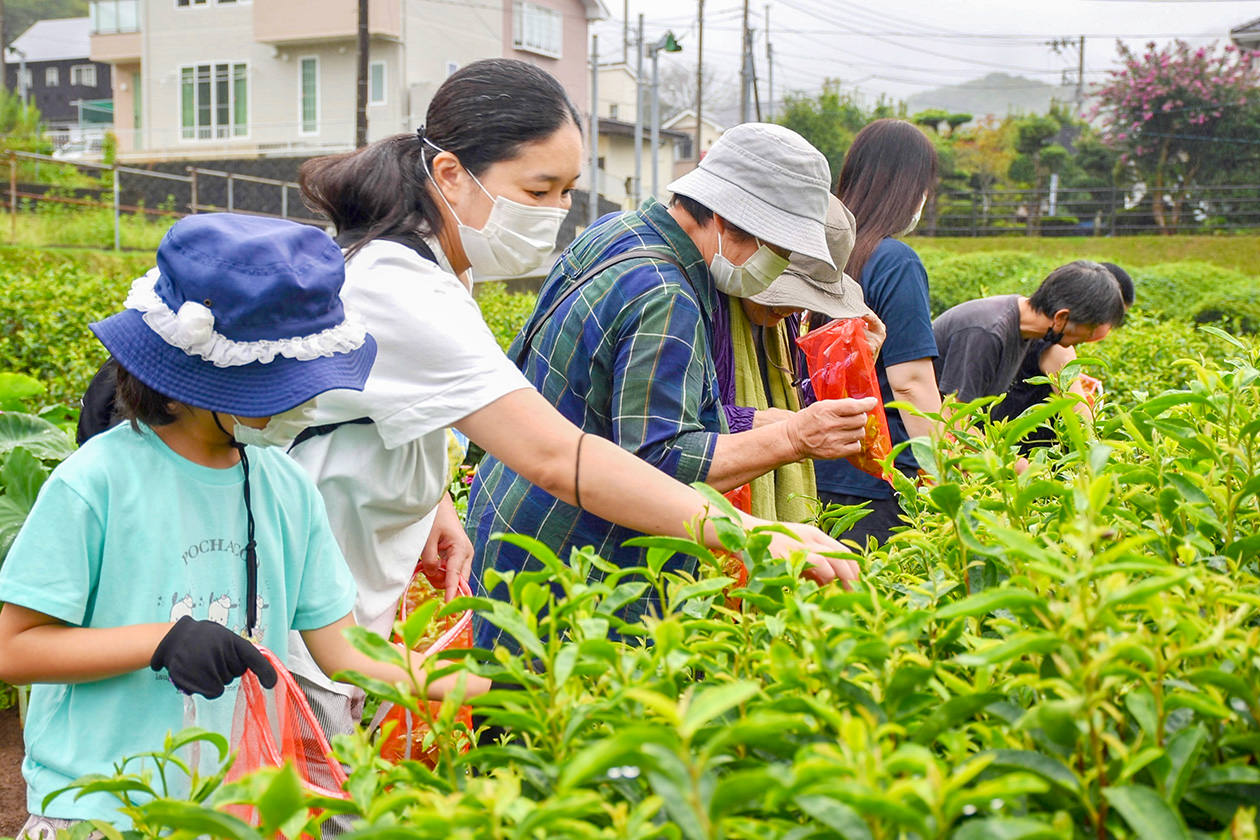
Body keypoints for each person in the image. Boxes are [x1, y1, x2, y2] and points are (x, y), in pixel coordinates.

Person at [288, 62, 862, 738]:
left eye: (568, 190)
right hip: (306, 616)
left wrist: (432, 498)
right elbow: (564, 456)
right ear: (449, 176)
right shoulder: (406, 286)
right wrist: (758, 536)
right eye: (540, 188)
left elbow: (387, 402)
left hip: (353, 601)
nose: (558, 212)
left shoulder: (437, 265)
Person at [0, 214, 485, 833]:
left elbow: (347, 656)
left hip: (229, 812)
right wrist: (161, 640)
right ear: (195, 382)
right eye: (286, 385)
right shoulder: (96, 483)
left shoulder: (285, 488)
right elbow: (14, 647)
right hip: (100, 806)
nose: (310, 403)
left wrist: (492, 686)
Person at [467, 121, 881, 648]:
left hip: (514, 520)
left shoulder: (618, 232)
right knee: (552, 718)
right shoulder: (667, 295)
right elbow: (658, 458)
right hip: (575, 560)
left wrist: (774, 422)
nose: (774, 267)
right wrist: (793, 439)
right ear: (732, 223)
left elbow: (620, 401)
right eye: (777, 249)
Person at [811, 119, 944, 548]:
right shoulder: (895, 262)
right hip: (880, 472)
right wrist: (942, 475)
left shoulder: (815, 251)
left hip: (808, 462)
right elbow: (910, 383)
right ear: (908, 187)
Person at [714, 194, 885, 522]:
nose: (791, 308)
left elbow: (800, 405)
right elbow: (679, 428)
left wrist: (855, 366)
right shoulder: (707, 307)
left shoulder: (782, 320)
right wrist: (772, 426)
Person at [932, 260, 1127, 406]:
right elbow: (957, 419)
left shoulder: (1027, 330)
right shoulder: (988, 332)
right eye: (1087, 333)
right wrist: (1016, 462)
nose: (1083, 342)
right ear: (1061, 318)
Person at [990, 262, 1135, 435]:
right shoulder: (1057, 346)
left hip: (1003, 438)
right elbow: (1083, 420)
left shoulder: (1028, 326)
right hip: (1031, 452)